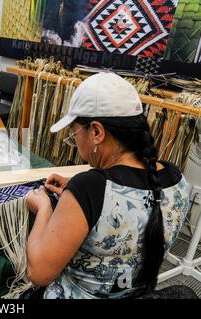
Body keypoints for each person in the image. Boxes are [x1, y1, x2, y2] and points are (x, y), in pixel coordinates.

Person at [25, 72, 190, 299]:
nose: (75, 145)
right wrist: (81, 198)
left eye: (74, 135)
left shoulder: (90, 187)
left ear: (96, 132)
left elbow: (38, 272)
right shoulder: (177, 179)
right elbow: (132, 200)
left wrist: (44, 208)